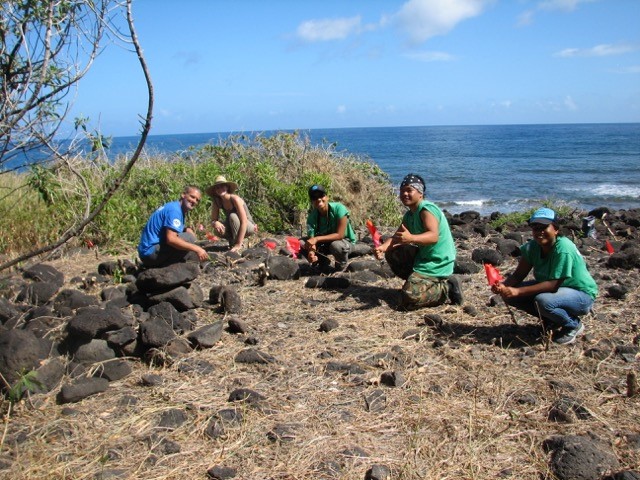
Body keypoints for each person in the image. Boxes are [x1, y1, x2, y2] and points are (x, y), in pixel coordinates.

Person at [491, 207, 598, 345]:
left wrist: (517, 291)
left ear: (555, 229)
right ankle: (552, 320)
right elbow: (518, 275)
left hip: (581, 295)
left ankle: (573, 324)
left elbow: (553, 284)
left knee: (544, 301)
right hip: (557, 292)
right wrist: (503, 286)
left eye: (544, 227)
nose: (539, 231)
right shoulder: (532, 247)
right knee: (510, 295)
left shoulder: (563, 248)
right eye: (535, 227)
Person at [374, 173, 462, 309]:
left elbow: (433, 237)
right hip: (423, 257)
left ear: (420, 193)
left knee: (408, 299)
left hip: (438, 261)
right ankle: (417, 282)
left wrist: (411, 238)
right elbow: (397, 237)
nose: (404, 194)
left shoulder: (426, 209)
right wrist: (383, 248)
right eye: (402, 191)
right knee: (392, 252)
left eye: (409, 190)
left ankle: (446, 288)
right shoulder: (409, 215)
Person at [137, 186, 209, 268]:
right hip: (150, 253)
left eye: (197, 200)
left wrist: (186, 229)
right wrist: (197, 249)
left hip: (146, 252)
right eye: (192, 197)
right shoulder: (175, 211)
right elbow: (171, 239)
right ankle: (164, 266)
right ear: (183, 195)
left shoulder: (174, 206)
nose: (194, 201)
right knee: (189, 238)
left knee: (187, 232)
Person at [303, 184, 357, 271]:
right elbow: (311, 240)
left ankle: (341, 263)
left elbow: (340, 235)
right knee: (302, 243)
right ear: (312, 201)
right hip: (325, 243)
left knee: (335, 245)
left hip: (344, 242)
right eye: (314, 197)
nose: (319, 199)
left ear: (327, 197)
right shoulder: (312, 217)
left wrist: (317, 239)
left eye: (321, 195)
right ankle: (322, 261)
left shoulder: (339, 208)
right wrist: (311, 253)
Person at [206, 175, 256, 253]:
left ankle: (239, 243)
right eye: (217, 187)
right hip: (233, 224)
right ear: (215, 190)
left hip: (248, 226)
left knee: (233, 216)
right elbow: (213, 220)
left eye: (222, 186)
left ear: (227, 187)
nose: (220, 189)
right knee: (218, 229)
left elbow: (244, 221)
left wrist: (238, 243)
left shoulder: (235, 199)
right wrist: (215, 222)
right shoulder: (217, 202)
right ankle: (232, 241)